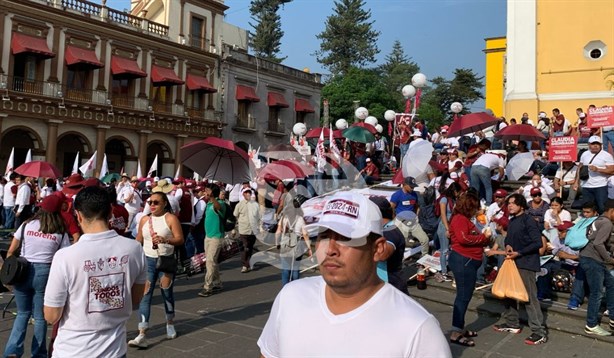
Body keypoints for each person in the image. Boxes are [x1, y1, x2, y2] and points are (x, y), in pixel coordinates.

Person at [258, 191, 452, 357]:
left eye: (346, 238)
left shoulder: (418, 329)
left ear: (377, 249)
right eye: (324, 236)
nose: (330, 249)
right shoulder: (291, 297)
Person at [43, 186, 147, 357]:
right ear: (111, 212)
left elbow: (51, 315)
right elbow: (136, 297)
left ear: (78, 215)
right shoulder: (135, 249)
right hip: (115, 350)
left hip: (73, 350)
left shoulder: (65, 256)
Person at [3, 195, 70, 357]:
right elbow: (63, 257)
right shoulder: (60, 230)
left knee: (22, 313)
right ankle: (38, 354)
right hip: (45, 272)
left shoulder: (27, 225)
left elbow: (11, 251)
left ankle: (13, 351)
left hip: (23, 270)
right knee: (40, 318)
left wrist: (6, 274)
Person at [130, 191, 184, 348]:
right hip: (147, 261)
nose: (152, 205)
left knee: (167, 292)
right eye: (149, 202)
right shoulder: (144, 219)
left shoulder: (170, 218)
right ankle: (142, 333)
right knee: (145, 295)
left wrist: (166, 239)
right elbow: (138, 239)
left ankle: (170, 322)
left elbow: (180, 239)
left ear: (164, 203)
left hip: (165, 261)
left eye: (156, 202)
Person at [493, 193, 548, 345]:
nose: (509, 205)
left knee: (529, 298)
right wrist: (509, 246)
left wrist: (520, 252)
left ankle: (539, 332)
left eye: (513, 203)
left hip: (526, 263)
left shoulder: (529, 220)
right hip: (513, 263)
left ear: (521, 205)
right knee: (508, 294)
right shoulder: (512, 221)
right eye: (508, 203)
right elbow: (509, 239)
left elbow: (537, 243)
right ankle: (512, 323)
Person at [447, 191, 492, 347]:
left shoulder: (464, 219)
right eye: (475, 207)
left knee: (464, 296)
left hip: (467, 260)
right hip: (463, 260)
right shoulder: (460, 219)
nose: (476, 210)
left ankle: (459, 327)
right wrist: (483, 238)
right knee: (463, 297)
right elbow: (463, 238)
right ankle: (456, 332)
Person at [578, 198, 614, 336]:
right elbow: (598, 243)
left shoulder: (596, 220)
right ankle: (591, 324)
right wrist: (609, 259)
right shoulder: (607, 223)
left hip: (590, 258)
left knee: (611, 284)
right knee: (597, 293)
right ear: (612, 211)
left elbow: (599, 241)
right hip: (593, 260)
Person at [274, 194, 312, 286]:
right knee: (295, 268)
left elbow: (278, 232)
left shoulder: (284, 218)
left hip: (285, 245)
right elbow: (305, 234)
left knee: (285, 269)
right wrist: (309, 248)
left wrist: (277, 243)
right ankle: (295, 286)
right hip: (297, 247)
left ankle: (285, 288)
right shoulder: (300, 219)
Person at [198, 184, 226, 297]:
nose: (205, 193)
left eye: (207, 191)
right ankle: (217, 282)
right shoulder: (208, 204)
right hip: (208, 236)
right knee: (212, 262)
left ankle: (208, 286)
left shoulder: (219, 203)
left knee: (210, 261)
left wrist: (213, 197)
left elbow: (219, 208)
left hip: (216, 237)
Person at [575, 135, 614, 213]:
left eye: (597, 144)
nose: (595, 146)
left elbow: (612, 171)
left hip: (600, 185)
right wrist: (576, 181)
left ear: (601, 145)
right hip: (586, 185)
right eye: (593, 144)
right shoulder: (584, 154)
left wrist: (598, 169)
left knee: (602, 207)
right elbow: (580, 168)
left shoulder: (606, 155)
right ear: (589, 144)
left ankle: (602, 223)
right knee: (587, 208)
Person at [436, 181, 462, 282]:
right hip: (444, 227)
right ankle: (444, 272)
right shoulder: (444, 199)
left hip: (452, 226)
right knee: (444, 250)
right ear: (454, 191)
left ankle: (448, 268)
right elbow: (443, 215)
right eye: (458, 192)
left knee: (450, 249)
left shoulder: (454, 200)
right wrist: (448, 229)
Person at [234, 188, 261, 273]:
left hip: (253, 230)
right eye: (246, 193)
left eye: (249, 192)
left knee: (250, 247)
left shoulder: (256, 205)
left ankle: (248, 262)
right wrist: (234, 228)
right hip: (243, 229)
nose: (248, 194)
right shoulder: (239, 205)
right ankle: (245, 265)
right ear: (243, 194)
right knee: (245, 247)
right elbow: (235, 215)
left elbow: (259, 216)